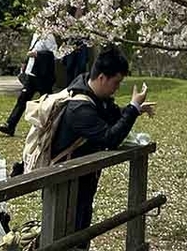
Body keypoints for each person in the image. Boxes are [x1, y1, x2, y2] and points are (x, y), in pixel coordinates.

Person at [52, 45, 155, 247]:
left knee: (81, 232)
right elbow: (110, 137)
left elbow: (115, 117)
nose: (117, 87)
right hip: (66, 184)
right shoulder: (80, 108)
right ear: (102, 78)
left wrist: (135, 109)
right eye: (116, 82)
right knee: (68, 236)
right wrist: (132, 108)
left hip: (82, 179)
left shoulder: (97, 99)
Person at [0, 32, 57, 136]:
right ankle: (10, 125)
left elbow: (54, 54)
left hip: (42, 75)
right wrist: (25, 63)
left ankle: (55, 126)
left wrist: (38, 55)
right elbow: (31, 50)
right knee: (22, 99)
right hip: (31, 72)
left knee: (47, 102)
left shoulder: (49, 36)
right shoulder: (36, 34)